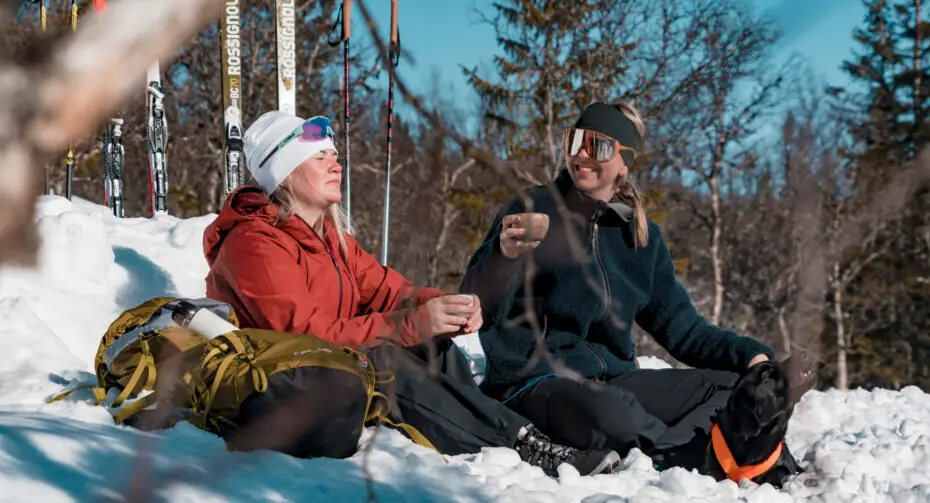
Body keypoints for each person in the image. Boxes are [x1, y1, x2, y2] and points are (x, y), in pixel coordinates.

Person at [202, 110, 620, 477]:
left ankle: (509, 431)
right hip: (273, 385)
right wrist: (413, 323)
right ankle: (519, 447)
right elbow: (303, 334)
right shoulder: (254, 243)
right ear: (285, 171)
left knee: (428, 343)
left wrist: (440, 306)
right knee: (388, 357)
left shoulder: (328, 237)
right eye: (319, 158)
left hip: (320, 368)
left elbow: (388, 289)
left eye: (334, 156)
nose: (336, 165)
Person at [459, 101, 782, 472]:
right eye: (574, 140)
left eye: (597, 146)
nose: (580, 154)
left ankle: (690, 452)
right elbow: (477, 304)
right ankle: (697, 453)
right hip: (534, 382)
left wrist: (754, 357)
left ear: (624, 161)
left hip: (615, 381)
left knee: (728, 387)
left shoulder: (640, 238)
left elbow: (684, 330)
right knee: (615, 411)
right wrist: (504, 255)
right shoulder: (534, 208)